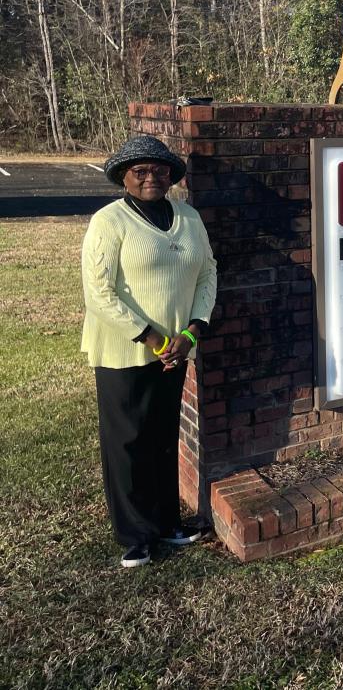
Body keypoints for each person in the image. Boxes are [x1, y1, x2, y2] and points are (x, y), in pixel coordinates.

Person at [81, 135, 217, 568]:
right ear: (124, 176)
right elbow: (98, 293)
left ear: (171, 176)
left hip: (175, 351)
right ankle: (136, 534)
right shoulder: (109, 222)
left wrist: (191, 333)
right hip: (124, 350)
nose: (151, 177)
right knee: (128, 443)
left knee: (162, 439)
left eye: (159, 170)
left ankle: (166, 523)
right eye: (140, 171)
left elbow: (207, 274)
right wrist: (153, 338)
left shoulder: (189, 218)